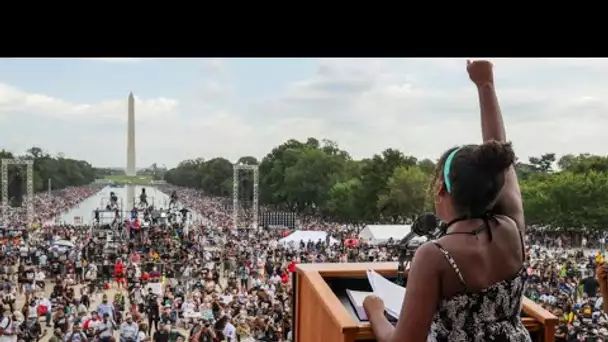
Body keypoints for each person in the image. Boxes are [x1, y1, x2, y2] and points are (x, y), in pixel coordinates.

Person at [363, 60, 531, 341]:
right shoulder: (511, 227)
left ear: (441, 188)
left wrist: (375, 311)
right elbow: (500, 154)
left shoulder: (434, 255)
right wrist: (485, 86)